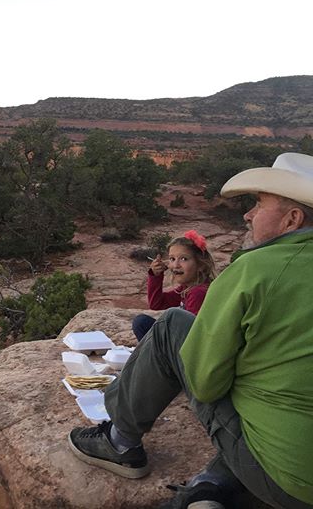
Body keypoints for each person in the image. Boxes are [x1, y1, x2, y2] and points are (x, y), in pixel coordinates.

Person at [68, 152, 313, 509]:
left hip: (291, 482)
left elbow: (203, 384)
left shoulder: (256, 269)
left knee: (171, 326)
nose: (247, 215)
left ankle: (119, 443)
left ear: (292, 219)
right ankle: (210, 488)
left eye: (259, 205)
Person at [132, 230, 216, 341]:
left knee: (142, 322)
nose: (176, 265)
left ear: (200, 264)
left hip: (187, 349)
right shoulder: (187, 288)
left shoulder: (198, 292)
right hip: (182, 342)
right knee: (142, 322)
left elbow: (193, 336)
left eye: (183, 259)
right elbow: (157, 304)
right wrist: (156, 276)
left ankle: (155, 357)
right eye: (172, 259)